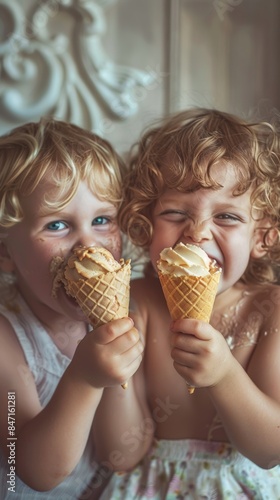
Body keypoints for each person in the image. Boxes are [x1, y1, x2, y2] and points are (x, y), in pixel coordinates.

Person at [96, 108, 280, 498]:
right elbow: (120, 456)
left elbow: (269, 450)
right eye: (175, 213)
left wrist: (224, 375)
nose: (196, 233)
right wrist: (111, 370)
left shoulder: (269, 309)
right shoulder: (138, 304)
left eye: (227, 217)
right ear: (145, 225)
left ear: (262, 236)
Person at [0, 118, 147, 499]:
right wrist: (85, 378)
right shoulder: (6, 339)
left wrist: (112, 367)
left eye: (102, 220)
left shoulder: (132, 313)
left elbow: (125, 455)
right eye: (57, 226)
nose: (88, 247)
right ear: (5, 252)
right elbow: (33, 469)